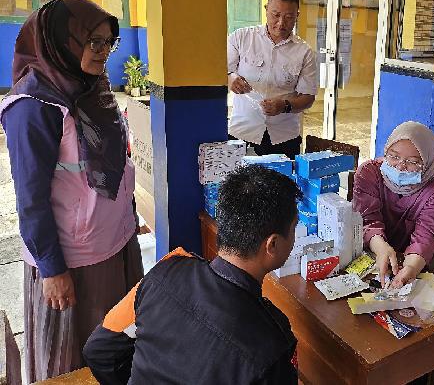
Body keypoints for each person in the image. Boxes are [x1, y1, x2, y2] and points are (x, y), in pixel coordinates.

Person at [0, 0, 142, 381]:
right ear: (62, 42)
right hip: (73, 262)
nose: (104, 52)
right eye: (93, 42)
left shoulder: (92, 86)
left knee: (115, 347)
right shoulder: (33, 106)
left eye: (108, 42)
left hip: (115, 243)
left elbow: (115, 162)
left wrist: (130, 218)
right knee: (75, 362)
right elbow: (30, 201)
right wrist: (52, 270)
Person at [83, 165, 302, 384]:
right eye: (293, 229)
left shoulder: (166, 271)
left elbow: (99, 351)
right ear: (271, 245)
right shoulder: (271, 346)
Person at [352, 121, 434, 289]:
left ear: (427, 162)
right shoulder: (369, 172)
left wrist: (410, 268)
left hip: (416, 256)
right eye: (394, 156)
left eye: (412, 162)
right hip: (374, 247)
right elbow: (366, 219)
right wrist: (381, 248)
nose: (400, 166)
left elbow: (426, 235)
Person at [227, 0, 318, 159]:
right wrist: (230, 78)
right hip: (242, 132)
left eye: (289, 17)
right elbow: (221, 71)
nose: (281, 23)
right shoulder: (241, 38)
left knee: (282, 185)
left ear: (297, 16)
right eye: (275, 15)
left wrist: (284, 106)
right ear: (266, 10)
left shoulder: (304, 52)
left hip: (284, 138)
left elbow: (308, 98)